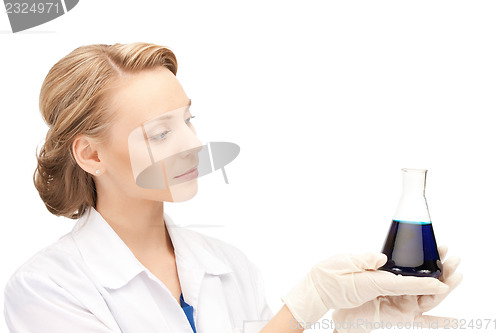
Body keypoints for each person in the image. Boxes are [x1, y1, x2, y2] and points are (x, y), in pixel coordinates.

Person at [3, 43, 462, 333]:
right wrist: (306, 304)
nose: (193, 145)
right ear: (92, 156)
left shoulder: (226, 266)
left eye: (188, 120)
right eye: (160, 134)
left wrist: (355, 328)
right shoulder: (47, 289)